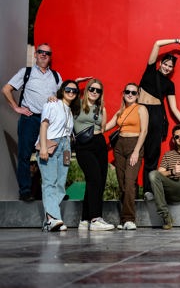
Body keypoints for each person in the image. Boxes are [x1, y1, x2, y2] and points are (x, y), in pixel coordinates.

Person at [3, 43, 62, 201]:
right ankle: (26, 191)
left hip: (49, 122)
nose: (44, 55)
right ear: (35, 55)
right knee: (24, 155)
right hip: (30, 119)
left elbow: (63, 97)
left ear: (50, 57)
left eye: (47, 53)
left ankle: (51, 193)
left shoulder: (56, 76)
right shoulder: (26, 72)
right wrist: (16, 108)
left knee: (50, 157)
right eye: (41, 52)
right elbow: (6, 89)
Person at [138, 39, 180, 201]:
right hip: (140, 111)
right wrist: (176, 41)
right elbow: (156, 44)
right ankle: (131, 189)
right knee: (134, 150)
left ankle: (148, 190)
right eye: (166, 64)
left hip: (156, 115)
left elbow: (174, 108)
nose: (167, 68)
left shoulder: (170, 84)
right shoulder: (150, 71)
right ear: (160, 62)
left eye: (171, 66)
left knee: (152, 154)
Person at [105, 83, 149, 230]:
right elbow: (105, 126)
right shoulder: (121, 111)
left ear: (137, 95)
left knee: (130, 182)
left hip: (134, 144)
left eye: (133, 92)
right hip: (119, 146)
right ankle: (124, 220)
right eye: (127, 92)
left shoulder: (141, 109)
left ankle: (130, 219)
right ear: (123, 93)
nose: (130, 94)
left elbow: (144, 131)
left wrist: (136, 151)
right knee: (122, 184)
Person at [72, 79, 114, 231]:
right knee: (94, 178)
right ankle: (96, 218)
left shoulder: (101, 108)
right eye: (92, 89)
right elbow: (63, 93)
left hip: (99, 144)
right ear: (87, 89)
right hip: (83, 146)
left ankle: (84, 219)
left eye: (98, 90)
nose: (94, 92)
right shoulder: (76, 104)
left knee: (98, 182)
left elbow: (102, 129)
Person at [37, 80, 79, 231]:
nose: (71, 92)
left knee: (60, 185)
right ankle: (53, 219)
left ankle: (49, 220)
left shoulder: (70, 110)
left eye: (75, 91)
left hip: (65, 146)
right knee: (49, 182)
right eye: (68, 89)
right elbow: (44, 125)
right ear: (62, 90)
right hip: (50, 144)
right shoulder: (52, 104)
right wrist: (43, 146)